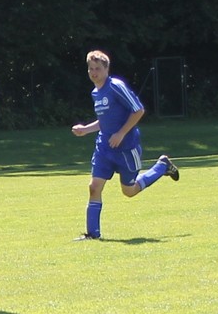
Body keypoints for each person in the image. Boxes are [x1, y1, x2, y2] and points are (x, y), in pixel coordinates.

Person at [71, 50, 179, 240]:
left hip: (126, 147)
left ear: (106, 69)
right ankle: (92, 234)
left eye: (97, 68)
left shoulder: (115, 87)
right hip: (104, 147)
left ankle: (162, 166)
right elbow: (104, 121)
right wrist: (85, 129)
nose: (93, 72)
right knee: (94, 186)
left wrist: (121, 133)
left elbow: (138, 110)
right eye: (90, 68)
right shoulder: (95, 92)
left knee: (129, 191)